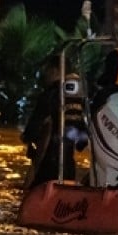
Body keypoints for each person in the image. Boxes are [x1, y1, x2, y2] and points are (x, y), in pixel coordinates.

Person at [21, 55, 80, 189]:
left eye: (47, 70)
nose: (45, 75)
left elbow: (33, 131)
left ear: (54, 70)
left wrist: (27, 137)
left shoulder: (50, 95)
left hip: (47, 167)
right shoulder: (77, 98)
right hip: (69, 168)